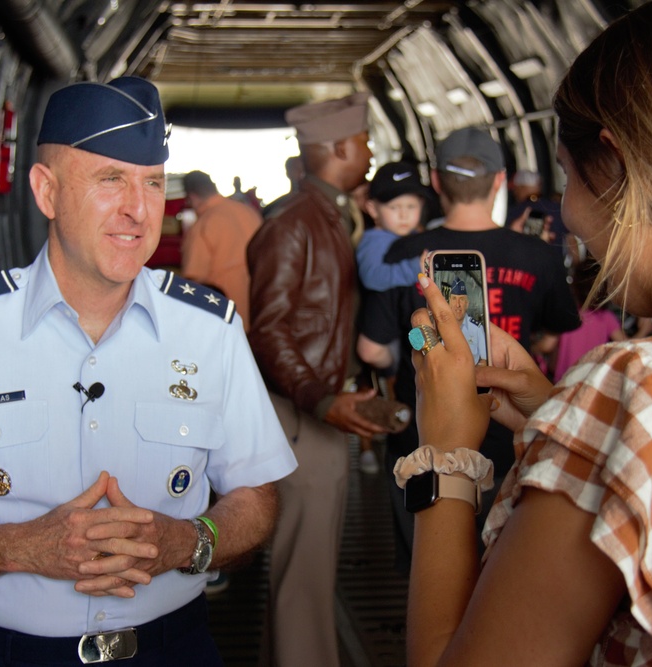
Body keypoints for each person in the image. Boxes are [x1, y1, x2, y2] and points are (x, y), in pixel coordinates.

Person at [0, 76, 298, 667]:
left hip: (173, 650)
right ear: (46, 190)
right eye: (111, 180)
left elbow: (257, 497)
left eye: (154, 184)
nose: (138, 209)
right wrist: (22, 549)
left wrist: (189, 542)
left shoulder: (211, 331)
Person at [403, 1, 652, 664]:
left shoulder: (641, 389)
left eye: (567, 174)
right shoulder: (626, 407)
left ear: (613, 165)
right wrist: (565, 421)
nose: (567, 212)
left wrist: (444, 452)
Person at [358, 127, 580, 573]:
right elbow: (556, 336)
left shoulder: (407, 252)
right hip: (516, 434)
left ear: (437, 183)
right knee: (506, 579)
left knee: (430, 568)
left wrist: (416, 349)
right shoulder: (538, 255)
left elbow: (373, 350)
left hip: (425, 437)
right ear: (499, 181)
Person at [247, 91, 386, 667]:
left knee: (308, 568)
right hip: (304, 417)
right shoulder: (295, 223)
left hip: (319, 409)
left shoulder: (329, 215)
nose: (371, 150)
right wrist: (321, 398)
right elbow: (269, 330)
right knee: (303, 572)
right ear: (337, 148)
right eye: (363, 141)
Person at [180, 170, 263, 331]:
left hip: (229, 319)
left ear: (192, 197)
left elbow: (193, 281)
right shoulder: (248, 212)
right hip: (261, 312)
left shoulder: (204, 225)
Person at [355, 160, 430, 292]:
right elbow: (372, 278)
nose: (404, 215)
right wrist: (414, 268)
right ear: (373, 209)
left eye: (411, 206)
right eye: (394, 207)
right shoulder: (373, 241)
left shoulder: (417, 235)